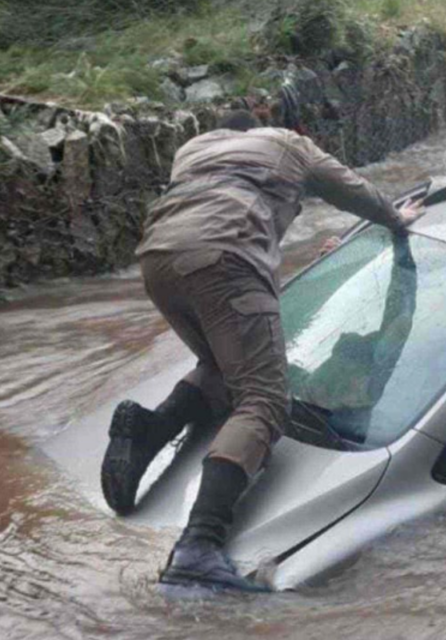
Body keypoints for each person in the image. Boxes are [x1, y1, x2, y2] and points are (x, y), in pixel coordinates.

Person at [99, 109, 423, 592]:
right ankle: (198, 548)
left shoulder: (195, 148)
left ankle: (149, 431)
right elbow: (348, 187)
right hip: (225, 257)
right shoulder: (289, 143)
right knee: (264, 400)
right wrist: (397, 218)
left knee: (219, 366)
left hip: (157, 259)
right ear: (264, 127)